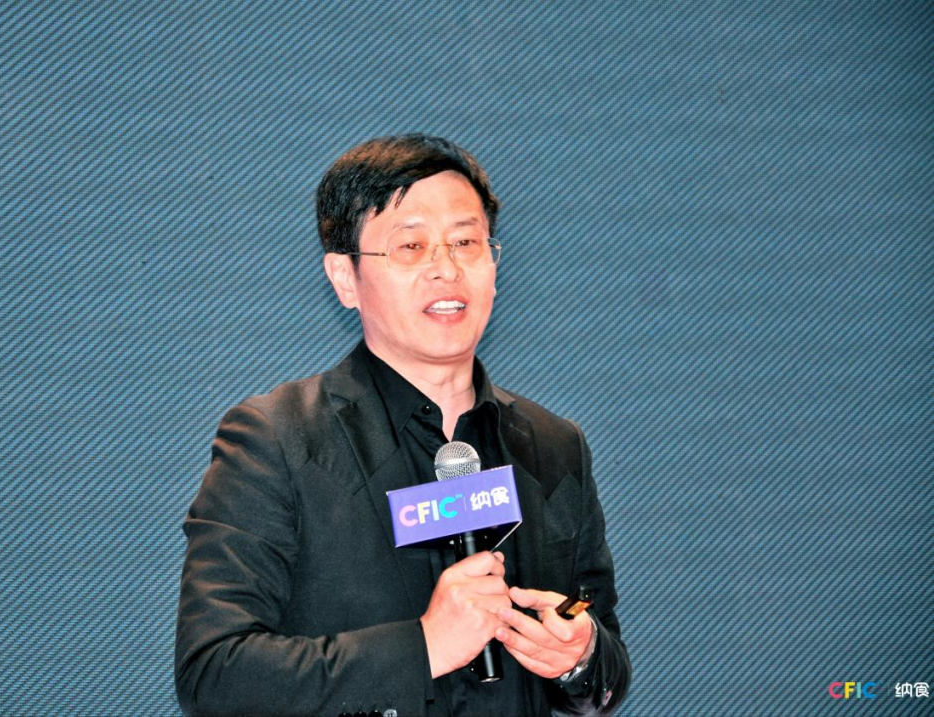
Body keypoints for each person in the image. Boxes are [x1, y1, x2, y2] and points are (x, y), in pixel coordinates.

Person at [175, 134, 631, 716]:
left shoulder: (554, 446)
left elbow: (604, 660)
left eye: (465, 242)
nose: (446, 269)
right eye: (411, 246)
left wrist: (580, 655)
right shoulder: (276, 441)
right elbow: (214, 675)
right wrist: (425, 647)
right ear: (345, 278)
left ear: (493, 264)